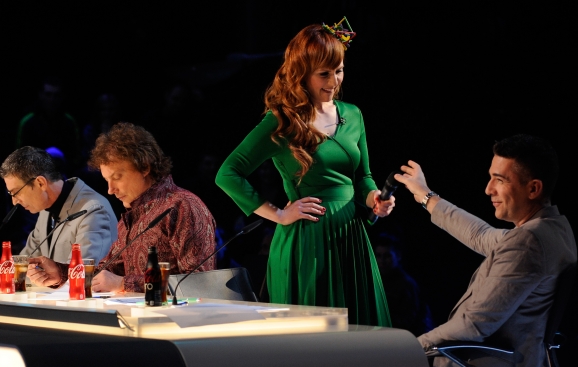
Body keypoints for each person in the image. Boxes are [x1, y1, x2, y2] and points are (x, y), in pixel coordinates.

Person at [216, 19, 394, 326]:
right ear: (302, 74)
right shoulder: (282, 121)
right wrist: (278, 214)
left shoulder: (353, 114)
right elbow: (228, 174)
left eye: (339, 70)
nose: (334, 81)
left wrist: (375, 198)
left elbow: (362, 177)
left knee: (360, 335)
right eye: (324, 73)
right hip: (308, 239)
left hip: (351, 235)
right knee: (314, 339)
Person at [395, 134, 578, 367]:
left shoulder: (529, 242)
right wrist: (425, 195)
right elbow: (480, 235)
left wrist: (410, 349)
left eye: (500, 180)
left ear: (533, 189)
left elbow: (474, 325)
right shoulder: (554, 229)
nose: (488, 189)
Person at [28, 122, 217, 293]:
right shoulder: (132, 215)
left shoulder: (183, 206)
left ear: (144, 167)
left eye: (117, 177)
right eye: (106, 180)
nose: (110, 190)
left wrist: (123, 284)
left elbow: (199, 283)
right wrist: (61, 273)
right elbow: (105, 273)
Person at [0, 147, 117, 278]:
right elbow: (23, 266)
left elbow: (85, 276)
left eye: (16, 192)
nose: (14, 201)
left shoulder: (93, 210)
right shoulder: (45, 208)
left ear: (40, 183)